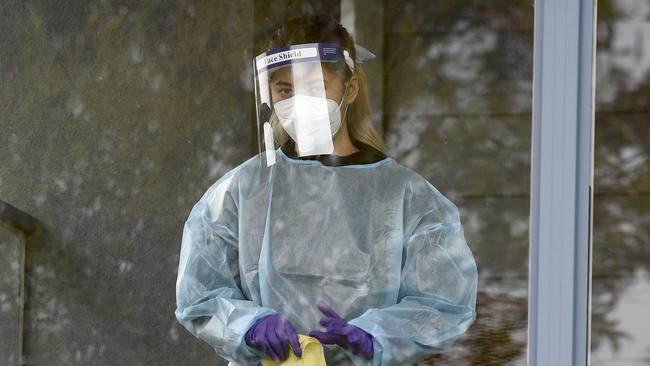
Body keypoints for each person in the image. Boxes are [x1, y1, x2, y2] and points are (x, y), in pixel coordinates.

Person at [175, 14, 478, 366]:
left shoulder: (405, 196)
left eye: (314, 87)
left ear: (349, 89)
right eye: (285, 90)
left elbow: (444, 302)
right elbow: (199, 294)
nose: (298, 102)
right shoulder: (243, 190)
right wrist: (249, 326)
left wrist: (375, 336)